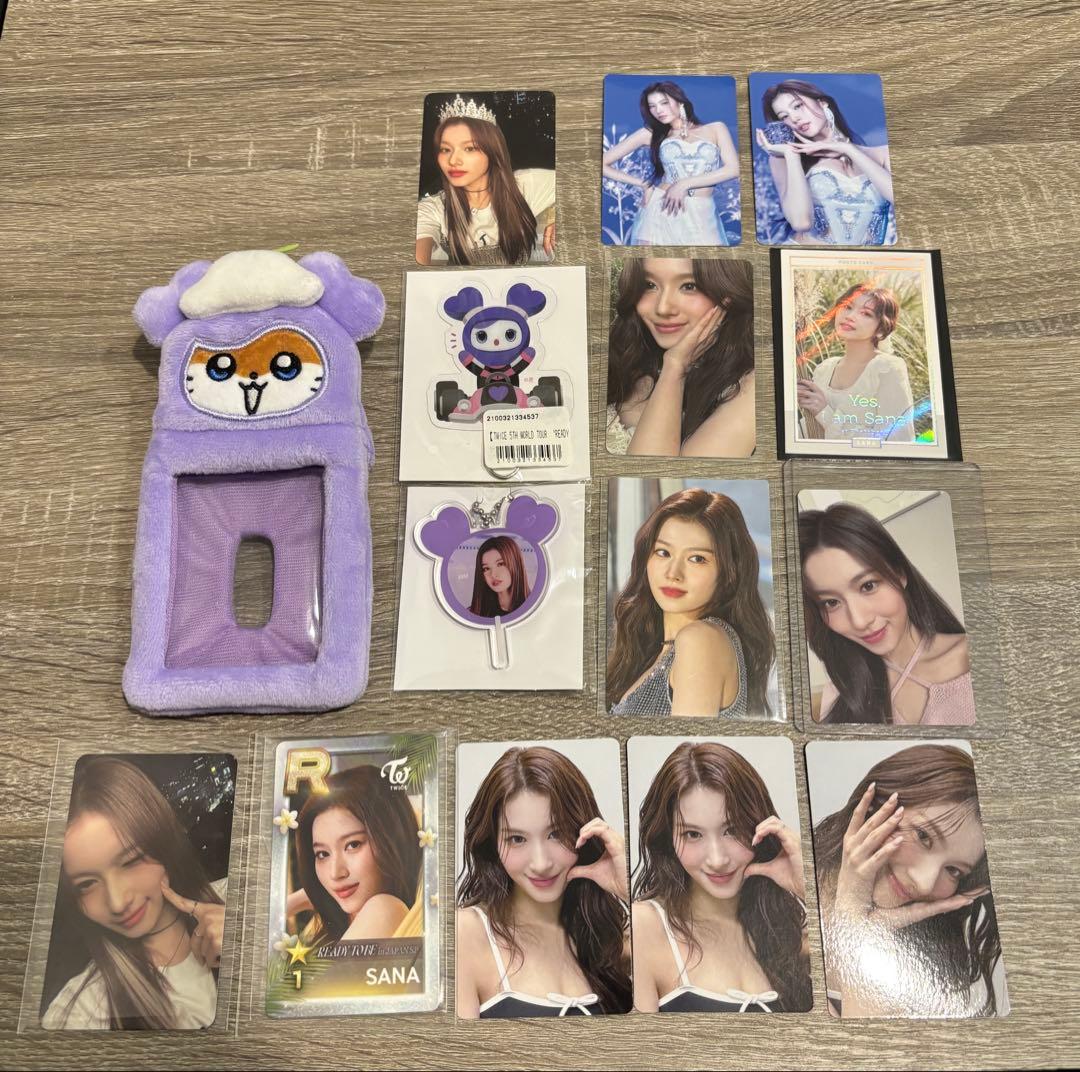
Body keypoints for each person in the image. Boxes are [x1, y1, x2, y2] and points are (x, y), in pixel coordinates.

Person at [812, 744, 1003, 1017]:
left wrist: (854, 930)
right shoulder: (781, 892)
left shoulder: (923, 964)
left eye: (953, 871)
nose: (924, 884)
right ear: (876, 805)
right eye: (923, 836)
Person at [41, 757, 227, 1030]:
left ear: (164, 845)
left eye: (130, 862)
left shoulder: (246, 902)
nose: (118, 902)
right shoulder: (83, 1011)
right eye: (86, 884)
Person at [632, 742, 812, 1013]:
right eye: (693, 834)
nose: (717, 859)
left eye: (732, 830)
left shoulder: (786, 931)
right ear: (668, 838)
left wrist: (806, 887)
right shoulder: (646, 927)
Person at [456, 746, 632, 1018]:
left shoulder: (607, 939)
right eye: (517, 839)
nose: (540, 863)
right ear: (492, 844)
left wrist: (627, 888)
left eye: (555, 834)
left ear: (583, 831)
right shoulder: (466, 933)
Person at [799, 501, 974, 725]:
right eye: (831, 602)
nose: (859, 621)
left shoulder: (974, 661)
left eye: (868, 586)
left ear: (900, 573)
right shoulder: (841, 693)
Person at [607, 488, 774, 718]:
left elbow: (686, 742)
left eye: (697, 559)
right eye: (663, 552)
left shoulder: (700, 639)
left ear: (729, 572)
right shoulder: (661, 649)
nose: (673, 573)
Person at [606, 258, 754, 457]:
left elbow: (651, 471)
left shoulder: (751, 388)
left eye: (689, 286)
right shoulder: (623, 354)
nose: (663, 308)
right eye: (649, 285)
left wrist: (675, 368)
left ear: (727, 294)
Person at [287, 765, 422, 944]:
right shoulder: (336, 919)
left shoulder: (384, 909)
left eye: (353, 845)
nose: (335, 873)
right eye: (322, 854)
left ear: (392, 838)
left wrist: (294, 903)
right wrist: (306, 896)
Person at [416, 96, 555, 265]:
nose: (453, 160)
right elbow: (417, 251)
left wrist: (556, 217)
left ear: (492, 150)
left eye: (469, 148)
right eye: (445, 149)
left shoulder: (525, 186)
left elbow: (578, 186)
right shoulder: (435, 209)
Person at [755, 79, 895, 246]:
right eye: (784, 116)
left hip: (865, 260)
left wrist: (848, 149)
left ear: (822, 103)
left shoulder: (883, 154)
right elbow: (801, 223)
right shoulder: (783, 159)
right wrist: (792, 155)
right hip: (805, 258)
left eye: (797, 106)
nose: (794, 118)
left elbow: (901, 200)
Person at [603, 80, 739, 246]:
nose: (658, 110)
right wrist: (644, 185)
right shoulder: (651, 134)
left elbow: (733, 169)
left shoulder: (716, 128)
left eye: (664, 103)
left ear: (680, 101)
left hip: (703, 212)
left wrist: (683, 184)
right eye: (652, 106)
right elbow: (602, 164)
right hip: (662, 208)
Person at [796, 284, 915, 444]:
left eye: (866, 313)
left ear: (881, 328)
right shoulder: (824, 369)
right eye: (847, 306)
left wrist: (824, 413)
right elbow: (810, 432)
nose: (850, 316)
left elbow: (896, 441)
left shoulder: (887, 368)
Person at [469, 536, 530, 617]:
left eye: (500, 564)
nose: (493, 575)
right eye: (486, 568)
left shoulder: (534, 607)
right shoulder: (474, 613)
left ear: (516, 564)